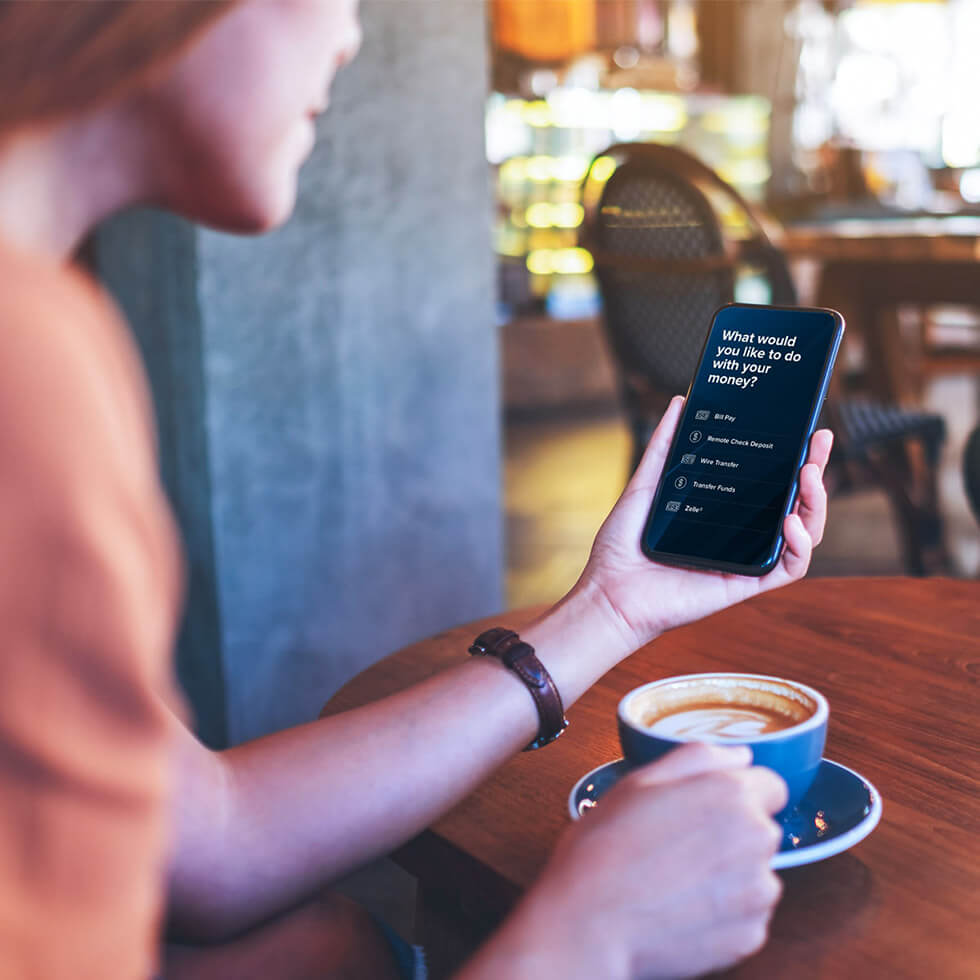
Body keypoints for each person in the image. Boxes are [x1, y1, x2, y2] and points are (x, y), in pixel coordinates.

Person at [0, 2, 833, 977]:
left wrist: (611, 605)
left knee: (339, 945)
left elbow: (209, 845)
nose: (348, 35)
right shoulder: (30, 361)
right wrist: (584, 936)